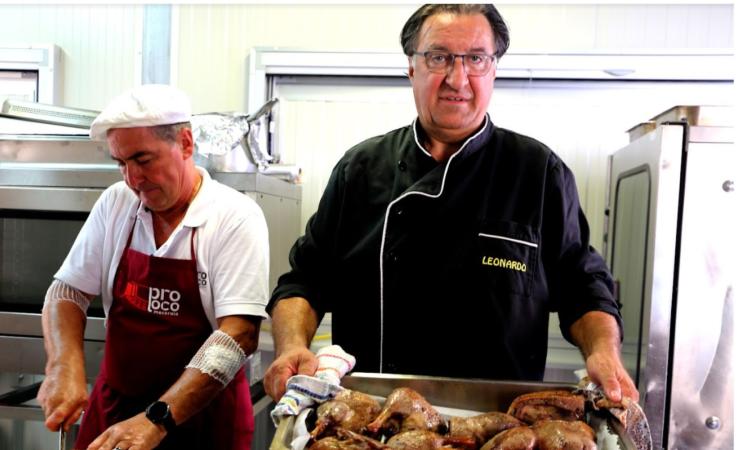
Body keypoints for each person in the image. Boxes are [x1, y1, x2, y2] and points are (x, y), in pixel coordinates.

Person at [264, 4, 638, 405]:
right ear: (412, 68)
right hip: (373, 418)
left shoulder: (538, 173)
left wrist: (604, 352)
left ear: (493, 69)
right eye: (438, 57)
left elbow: (583, 287)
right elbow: (305, 279)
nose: (457, 78)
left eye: (476, 59)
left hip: (499, 425)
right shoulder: (359, 169)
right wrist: (290, 346)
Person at [36, 84, 270, 450]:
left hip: (203, 422)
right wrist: (63, 365)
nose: (132, 179)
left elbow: (239, 333)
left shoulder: (234, 216)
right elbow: (66, 292)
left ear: (186, 143)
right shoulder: (116, 203)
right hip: (114, 412)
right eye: (121, 163)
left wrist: (157, 418)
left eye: (144, 160)